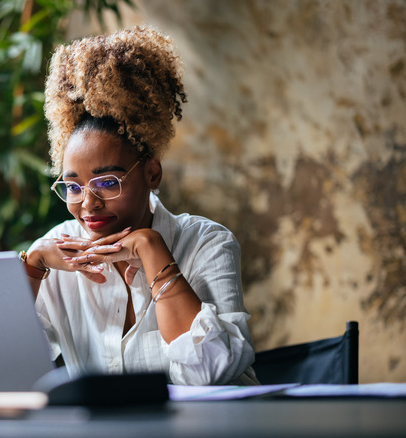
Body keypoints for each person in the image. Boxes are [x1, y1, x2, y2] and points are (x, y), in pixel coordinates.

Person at [19, 26, 259, 385]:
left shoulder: (208, 244)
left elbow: (211, 374)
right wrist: (33, 265)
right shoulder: (60, 252)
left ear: (151, 173)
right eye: (73, 186)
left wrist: (151, 249)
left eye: (107, 182)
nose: (88, 203)